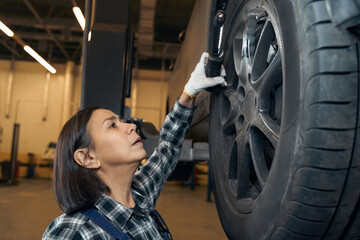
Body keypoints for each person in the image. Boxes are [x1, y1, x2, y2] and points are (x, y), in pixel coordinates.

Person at [42, 52, 226, 240]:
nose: (131, 126)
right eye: (112, 125)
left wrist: (189, 92)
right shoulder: (73, 232)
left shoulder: (139, 197)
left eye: (122, 121)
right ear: (87, 158)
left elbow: (167, 149)